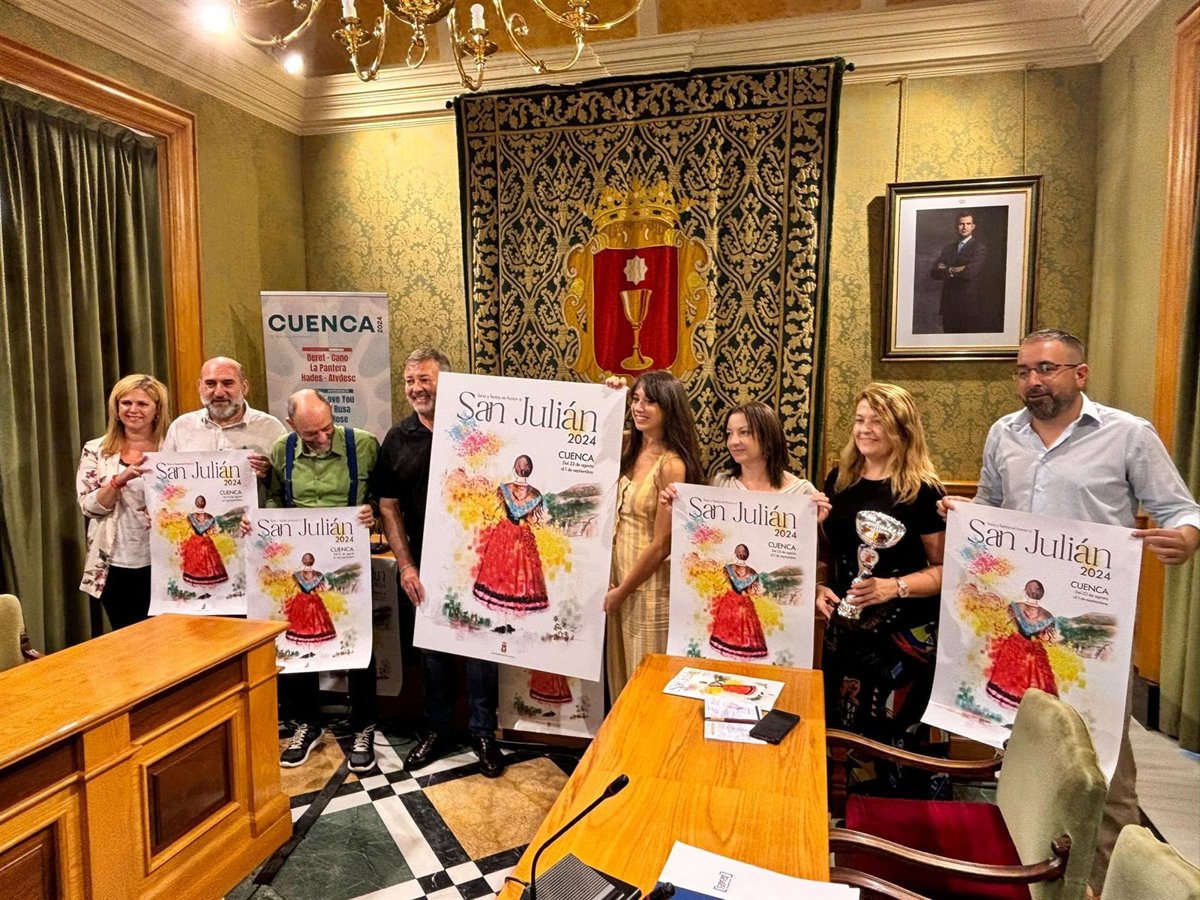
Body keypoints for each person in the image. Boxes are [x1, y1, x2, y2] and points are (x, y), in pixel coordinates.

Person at [940, 328, 1200, 891]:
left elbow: (1181, 509)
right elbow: (990, 507)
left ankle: (1109, 885)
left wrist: (1186, 536)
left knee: (1102, 766)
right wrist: (966, 515)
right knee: (1025, 751)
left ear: (1080, 374)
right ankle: (1031, 873)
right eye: (1023, 371)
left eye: (1046, 369)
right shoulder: (1003, 434)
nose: (1032, 381)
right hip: (1021, 622)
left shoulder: (1128, 435)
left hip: (1089, 628)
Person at [374, 348, 505, 778]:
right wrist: (406, 567)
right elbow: (388, 506)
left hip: (479, 560)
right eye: (409, 381)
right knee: (433, 654)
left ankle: (483, 733)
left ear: (447, 381)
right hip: (426, 566)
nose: (415, 389)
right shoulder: (398, 438)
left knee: (481, 649)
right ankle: (437, 730)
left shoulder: (480, 429)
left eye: (424, 380)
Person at [816, 383, 946, 795]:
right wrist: (820, 585)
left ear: (902, 430)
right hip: (846, 633)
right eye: (860, 420)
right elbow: (829, 552)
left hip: (902, 640)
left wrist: (895, 587)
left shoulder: (923, 490)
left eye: (877, 421)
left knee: (894, 747)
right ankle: (843, 820)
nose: (865, 429)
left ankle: (898, 824)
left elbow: (946, 570)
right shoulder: (840, 480)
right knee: (841, 736)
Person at [265, 389, 379, 772]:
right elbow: (275, 497)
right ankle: (307, 723)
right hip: (300, 560)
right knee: (299, 642)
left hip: (348, 558)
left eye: (327, 428)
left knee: (358, 642)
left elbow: (383, 497)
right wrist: (266, 522)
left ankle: (364, 726)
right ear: (291, 425)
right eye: (311, 433)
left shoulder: (363, 445)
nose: (322, 438)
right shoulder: (281, 450)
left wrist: (372, 511)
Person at [604, 370, 704, 700]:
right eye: (636, 399)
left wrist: (622, 592)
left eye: (650, 401)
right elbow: (589, 432)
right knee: (620, 683)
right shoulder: (629, 446)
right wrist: (612, 395)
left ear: (669, 407)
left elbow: (662, 544)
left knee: (645, 687)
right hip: (618, 581)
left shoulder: (671, 464)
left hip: (647, 588)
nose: (639, 407)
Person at [77, 374, 172, 629]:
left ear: (157, 410)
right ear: (116, 409)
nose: (133, 410)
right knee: (128, 639)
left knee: (166, 638)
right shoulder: (96, 449)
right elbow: (89, 506)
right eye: (126, 403)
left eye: (142, 404)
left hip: (166, 562)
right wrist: (120, 480)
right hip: (114, 565)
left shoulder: (174, 449)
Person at [161, 357, 286, 498]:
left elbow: (289, 485)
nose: (219, 392)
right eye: (210, 384)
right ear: (199, 386)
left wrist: (270, 475)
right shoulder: (181, 427)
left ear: (244, 387)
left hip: (254, 512)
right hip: (193, 512)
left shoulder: (271, 428)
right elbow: (165, 481)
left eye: (228, 383)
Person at [471, 454, 550, 613]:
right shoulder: (536, 494)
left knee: (503, 563)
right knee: (520, 567)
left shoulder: (505, 488)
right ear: (530, 470)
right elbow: (531, 517)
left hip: (505, 530)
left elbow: (507, 510)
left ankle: (501, 602)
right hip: (522, 532)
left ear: (515, 468)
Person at [985, 579, 1059, 708]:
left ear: (1025, 591)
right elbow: (1045, 636)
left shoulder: (1016, 607)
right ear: (1042, 595)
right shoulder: (1047, 616)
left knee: (1012, 670)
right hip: (1032, 647)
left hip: (1015, 642)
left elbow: (1007, 623)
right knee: (1031, 674)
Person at [930, 211, 987, 333]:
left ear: (973, 226)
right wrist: (955, 269)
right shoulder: (948, 249)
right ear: (956, 227)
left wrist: (946, 269)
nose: (964, 227)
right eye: (961, 224)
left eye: (968, 224)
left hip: (967, 307)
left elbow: (970, 272)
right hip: (949, 306)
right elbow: (934, 273)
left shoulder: (979, 247)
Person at [709, 543, 767, 659]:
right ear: (747, 555)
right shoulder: (753, 573)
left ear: (735, 553)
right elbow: (752, 591)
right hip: (744, 602)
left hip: (730, 600)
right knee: (746, 626)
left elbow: (721, 584)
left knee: (728, 624)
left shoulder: (728, 568)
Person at [285, 552, 337, 645]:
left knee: (302, 620)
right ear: (313, 561)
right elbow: (322, 588)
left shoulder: (297, 575)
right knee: (314, 620)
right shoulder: (319, 575)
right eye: (307, 559)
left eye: (308, 559)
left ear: (302, 561)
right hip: (312, 600)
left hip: (301, 599)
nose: (308, 560)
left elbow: (292, 589)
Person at [180, 495, 229, 587]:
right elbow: (212, 530)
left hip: (196, 541)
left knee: (201, 559)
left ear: (196, 503)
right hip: (203, 541)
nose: (200, 502)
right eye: (200, 501)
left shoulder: (191, 517)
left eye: (200, 501)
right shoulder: (210, 517)